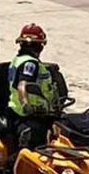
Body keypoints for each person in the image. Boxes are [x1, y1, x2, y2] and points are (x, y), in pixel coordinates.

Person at [7, 23, 61, 153]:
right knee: (33, 151)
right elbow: (22, 85)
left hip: (22, 112)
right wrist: (26, 105)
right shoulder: (30, 64)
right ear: (39, 45)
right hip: (28, 115)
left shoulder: (18, 59)